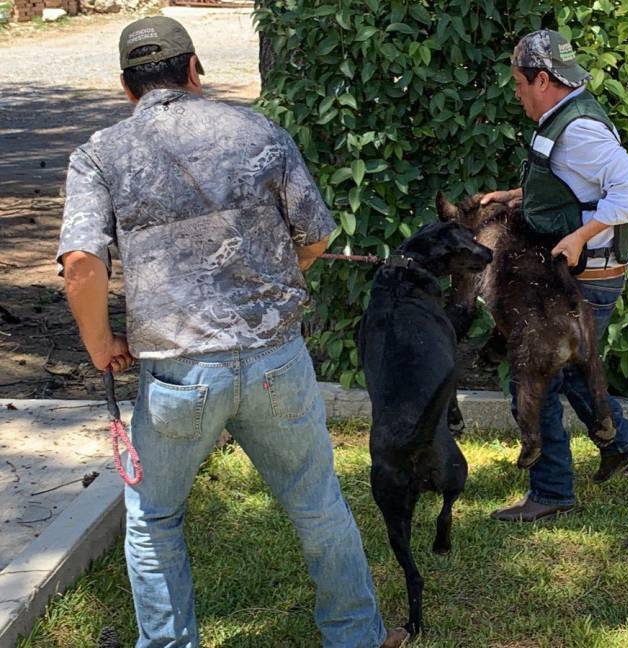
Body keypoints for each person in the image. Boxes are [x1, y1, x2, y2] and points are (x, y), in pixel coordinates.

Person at [55, 16, 406, 648]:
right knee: (317, 502)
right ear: (194, 69)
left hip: (178, 376)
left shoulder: (100, 154)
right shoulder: (258, 131)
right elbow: (316, 235)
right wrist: (267, 284)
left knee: (154, 518)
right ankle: (356, 636)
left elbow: (81, 264)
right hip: (276, 359)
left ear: (126, 86)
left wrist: (100, 345)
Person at [482, 30, 628, 522]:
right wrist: (517, 196)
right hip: (580, 275)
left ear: (542, 79)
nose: (517, 94)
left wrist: (580, 237)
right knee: (572, 370)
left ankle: (552, 490)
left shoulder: (578, 130)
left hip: (585, 275)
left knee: (534, 380)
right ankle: (619, 442)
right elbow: (575, 185)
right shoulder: (567, 116)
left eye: (519, 84)